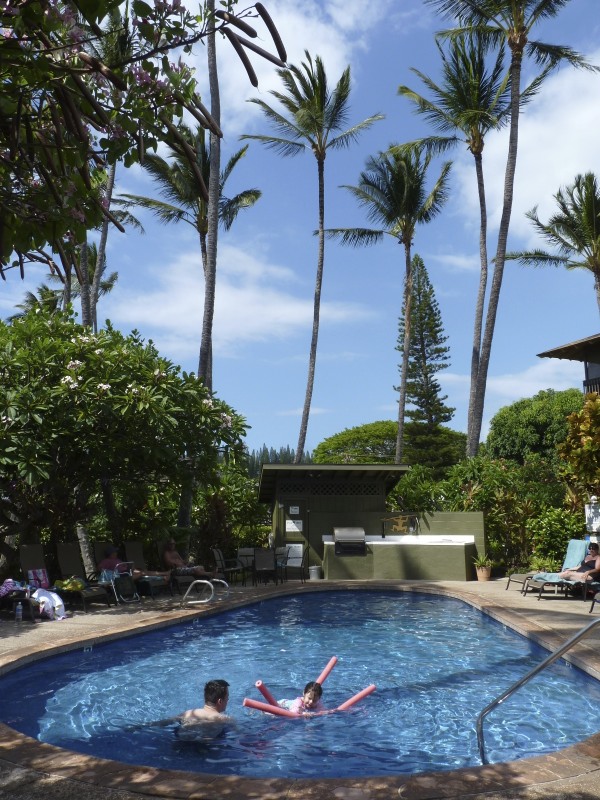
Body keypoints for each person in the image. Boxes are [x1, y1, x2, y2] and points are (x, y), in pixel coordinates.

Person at [98, 545, 170, 581]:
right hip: (122, 575)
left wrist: (131, 567)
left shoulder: (117, 560)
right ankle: (164, 575)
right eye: (115, 552)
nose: (116, 553)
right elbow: (100, 568)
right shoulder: (106, 561)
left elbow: (125, 565)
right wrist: (111, 573)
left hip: (127, 571)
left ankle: (164, 575)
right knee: (142, 573)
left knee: (143, 572)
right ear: (111, 553)